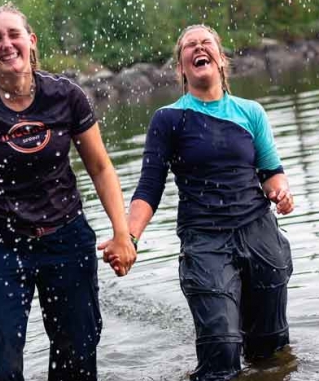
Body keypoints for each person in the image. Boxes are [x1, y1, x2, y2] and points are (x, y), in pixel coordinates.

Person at [0, 4, 136, 381]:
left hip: (66, 238)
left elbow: (100, 167)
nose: (6, 44)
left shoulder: (66, 96)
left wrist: (121, 232)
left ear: (31, 41)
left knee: (77, 355)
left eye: (13, 34)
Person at [114, 24, 295, 381]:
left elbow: (271, 171)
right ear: (181, 67)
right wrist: (129, 237)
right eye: (190, 45)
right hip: (205, 240)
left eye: (206, 42)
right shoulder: (168, 120)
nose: (199, 47)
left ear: (221, 59)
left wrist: (281, 191)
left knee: (271, 352)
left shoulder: (251, 112)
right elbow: (149, 188)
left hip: (259, 236)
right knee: (222, 351)